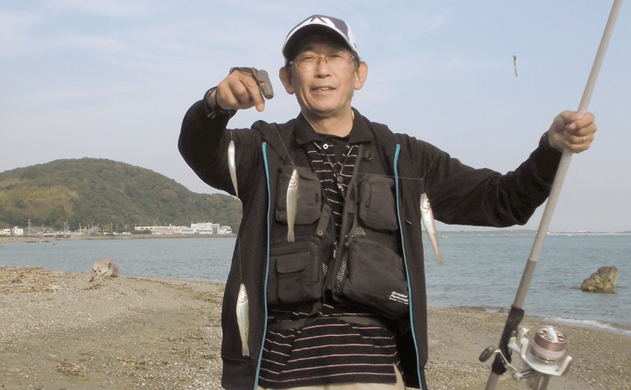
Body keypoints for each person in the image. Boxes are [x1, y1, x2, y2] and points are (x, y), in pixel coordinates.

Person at [179, 15, 597, 390]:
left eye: (335, 56)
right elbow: (201, 151)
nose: (322, 68)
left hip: (375, 369)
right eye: (307, 58)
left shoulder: (405, 157)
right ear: (288, 79)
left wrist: (551, 149)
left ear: (358, 74)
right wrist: (214, 107)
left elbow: (502, 201)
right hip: (274, 372)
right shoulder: (261, 149)